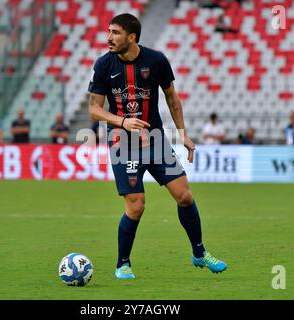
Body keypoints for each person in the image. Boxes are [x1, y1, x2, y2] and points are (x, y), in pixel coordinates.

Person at [88, 13, 226, 279]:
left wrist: (182, 134)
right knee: (136, 206)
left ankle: (199, 253)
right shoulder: (103, 64)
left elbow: (172, 99)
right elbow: (94, 109)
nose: (109, 37)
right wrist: (122, 121)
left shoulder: (157, 60)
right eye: (108, 31)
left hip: (155, 141)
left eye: (115, 32)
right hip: (123, 143)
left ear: (131, 37)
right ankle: (122, 264)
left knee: (185, 195)